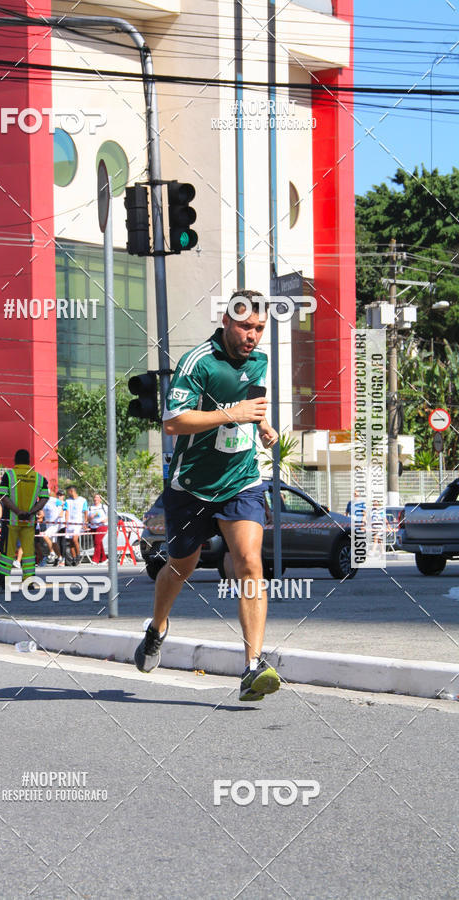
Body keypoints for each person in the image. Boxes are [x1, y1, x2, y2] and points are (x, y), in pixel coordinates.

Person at [134, 290, 281, 703]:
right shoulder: (198, 361)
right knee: (182, 565)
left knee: (250, 561)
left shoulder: (259, 361)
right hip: (192, 486)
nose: (252, 336)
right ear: (226, 320)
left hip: (241, 479)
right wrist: (231, 414)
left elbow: (250, 400)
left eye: (259, 329)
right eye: (245, 326)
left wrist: (263, 426)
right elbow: (173, 421)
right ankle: (157, 628)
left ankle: (252, 667)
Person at [0, 449, 49, 589]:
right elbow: (44, 498)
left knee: (7, 552)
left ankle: (3, 581)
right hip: (29, 521)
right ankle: (29, 581)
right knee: (29, 553)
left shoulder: (9, 475)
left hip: (11, 522)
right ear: (28, 461)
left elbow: (2, 496)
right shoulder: (39, 478)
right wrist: (31, 512)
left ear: (15, 460)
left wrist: (18, 512)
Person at [64, 485, 88, 566]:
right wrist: (66, 522)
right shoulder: (67, 501)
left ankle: (78, 555)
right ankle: (74, 558)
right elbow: (66, 511)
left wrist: (85, 522)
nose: (67, 493)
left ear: (71, 491)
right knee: (71, 543)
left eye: (68, 492)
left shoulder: (82, 500)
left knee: (75, 539)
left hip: (78, 523)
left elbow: (85, 512)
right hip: (70, 524)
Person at [88, 492, 108, 564]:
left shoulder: (104, 506)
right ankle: (104, 559)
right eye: (95, 497)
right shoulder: (90, 508)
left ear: (100, 499)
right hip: (93, 526)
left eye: (97, 497)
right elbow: (87, 518)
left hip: (102, 526)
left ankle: (95, 560)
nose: (95, 499)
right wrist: (90, 517)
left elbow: (110, 515)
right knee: (98, 543)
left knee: (97, 541)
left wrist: (106, 519)